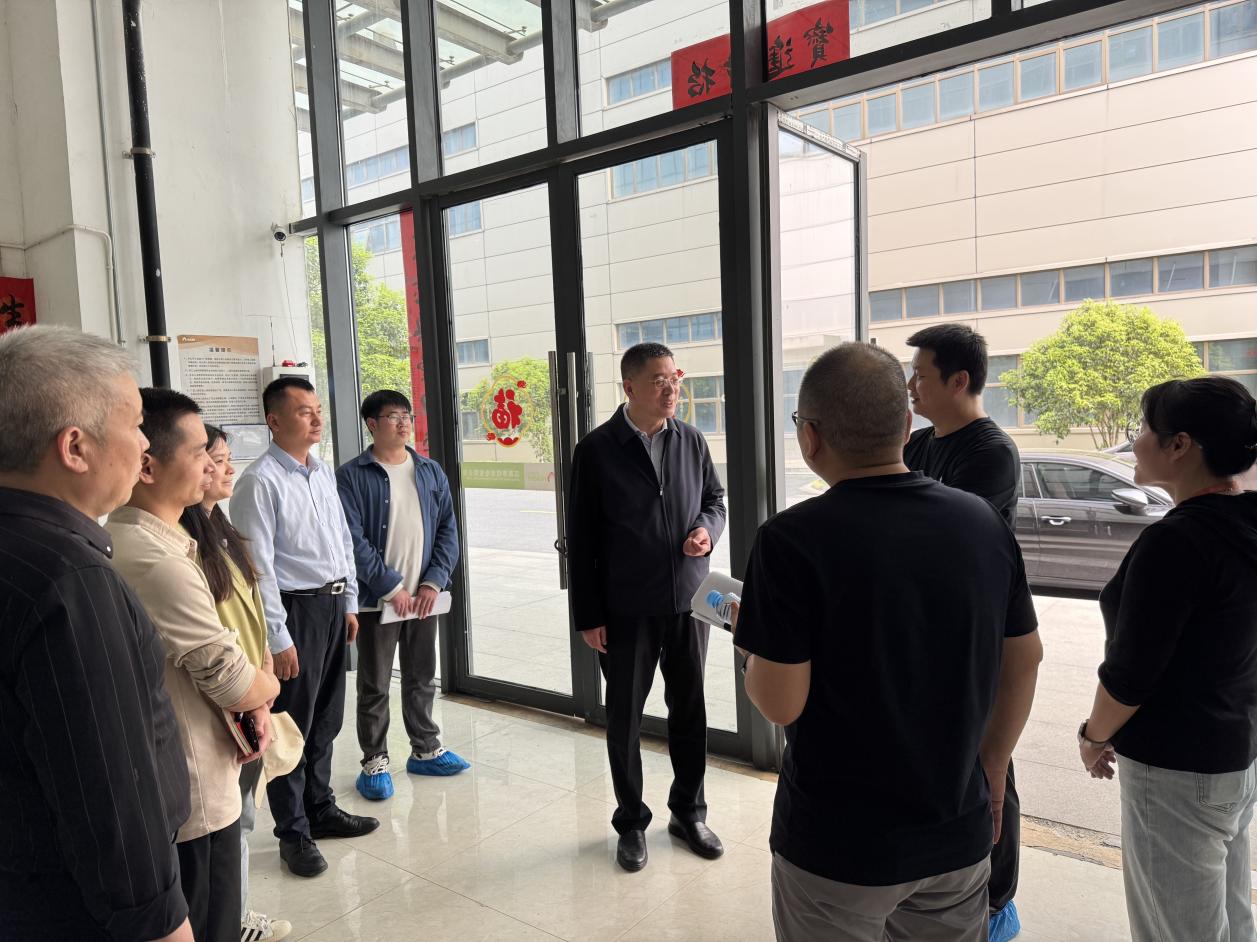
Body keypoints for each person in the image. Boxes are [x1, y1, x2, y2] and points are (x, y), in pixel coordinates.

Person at [732, 342, 1042, 942]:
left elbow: (780, 702)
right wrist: (994, 762)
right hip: (956, 833)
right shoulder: (980, 521)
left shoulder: (790, 541)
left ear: (810, 438)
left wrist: (752, 645)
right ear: (905, 426)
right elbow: (1024, 660)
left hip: (837, 847)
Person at [0, 327, 194, 942]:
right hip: (70, 909)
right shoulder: (70, 578)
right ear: (75, 447)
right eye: (134, 424)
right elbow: (111, 793)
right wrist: (161, 926)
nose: (145, 444)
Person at [1079, 376, 1257, 942]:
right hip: (1235, 757)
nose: (1134, 442)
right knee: (1231, 918)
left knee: (1175, 931)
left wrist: (1093, 735)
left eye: (1142, 429)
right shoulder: (1246, 521)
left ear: (1180, 445)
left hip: (1176, 770)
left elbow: (1130, 674)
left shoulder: (1176, 542)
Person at [107, 388, 280, 942]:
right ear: (148, 466)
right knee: (211, 920)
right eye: (201, 451)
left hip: (185, 773)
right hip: (197, 786)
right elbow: (232, 682)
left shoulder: (145, 540)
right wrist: (268, 687)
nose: (212, 464)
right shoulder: (156, 559)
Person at [567, 341, 727, 872]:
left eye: (674, 377)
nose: (671, 388)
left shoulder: (691, 440)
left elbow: (714, 500)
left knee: (691, 711)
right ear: (630, 386)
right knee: (625, 719)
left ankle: (689, 813)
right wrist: (589, 615)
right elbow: (581, 540)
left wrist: (706, 530)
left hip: (688, 602)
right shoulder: (596, 449)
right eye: (659, 379)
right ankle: (631, 821)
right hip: (625, 608)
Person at [903, 323, 1024, 941]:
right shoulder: (921, 444)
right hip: (925, 631)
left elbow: (936, 538)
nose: (911, 386)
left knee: (990, 762)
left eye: (920, 375)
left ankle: (996, 898)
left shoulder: (991, 452)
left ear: (958, 380)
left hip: (976, 634)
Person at [231, 377, 378, 878]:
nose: (317, 419)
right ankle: (293, 832)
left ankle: (320, 809)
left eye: (318, 409)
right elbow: (258, 569)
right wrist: (278, 636)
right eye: (303, 411)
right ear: (274, 421)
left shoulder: (321, 472)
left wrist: (350, 602)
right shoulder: (259, 481)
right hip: (295, 613)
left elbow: (342, 542)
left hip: (333, 607)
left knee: (326, 719)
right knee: (290, 725)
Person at [179, 425, 292, 942]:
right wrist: (257, 692)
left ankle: (237, 914)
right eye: (212, 458)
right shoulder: (182, 546)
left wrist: (263, 677)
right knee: (229, 821)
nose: (223, 469)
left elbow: (249, 612)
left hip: (249, 691)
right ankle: (233, 920)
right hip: (230, 700)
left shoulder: (217, 527)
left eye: (224, 458)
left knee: (241, 816)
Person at [336, 389, 466, 801]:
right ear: (372, 424)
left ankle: (425, 749)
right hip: (379, 601)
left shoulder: (429, 470)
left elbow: (448, 530)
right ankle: (375, 760)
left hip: (424, 598)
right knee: (375, 683)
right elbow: (352, 540)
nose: (404, 422)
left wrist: (432, 581)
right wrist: (391, 587)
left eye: (407, 414)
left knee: (422, 675)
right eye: (394, 416)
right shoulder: (352, 475)